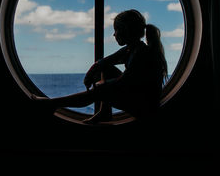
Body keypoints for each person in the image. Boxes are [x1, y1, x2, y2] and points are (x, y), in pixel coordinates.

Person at [32, 9, 168, 124]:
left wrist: (101, 86)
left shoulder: (140, 53)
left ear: (125, 31)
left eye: (116, 30)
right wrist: (91, 73)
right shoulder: (132, 48)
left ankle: (51, 104)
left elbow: (125, 82)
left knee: (100, 90)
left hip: (143, 107)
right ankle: (104, 112)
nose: (114, 34)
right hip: (136, 98)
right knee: (104, 70)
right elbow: (104, 62)